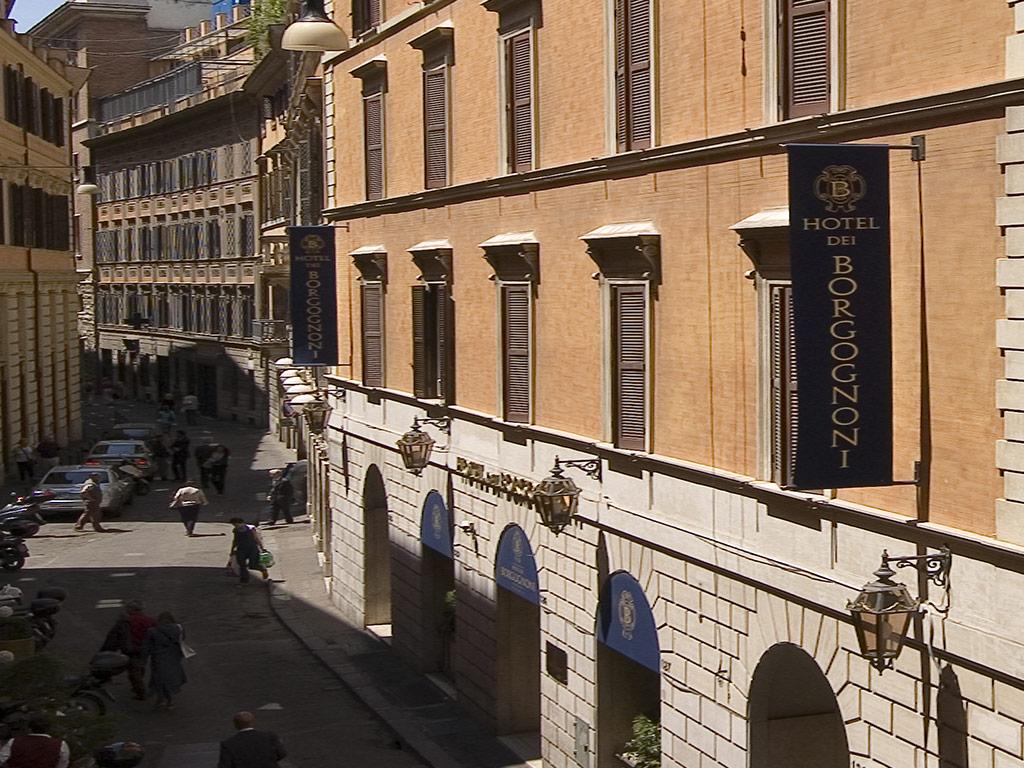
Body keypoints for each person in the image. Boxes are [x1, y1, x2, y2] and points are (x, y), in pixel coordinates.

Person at [101, 600, 156, 700]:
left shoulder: (126, 621)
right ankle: (139, 686)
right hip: (145, 649)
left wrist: (106, 650)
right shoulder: (150, 620)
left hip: (131, 649)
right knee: (140, 665)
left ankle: (140, 692)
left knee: (133, 672)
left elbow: (114, 638)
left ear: (130, 609)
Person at [141, 612, 187, 709]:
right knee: (171, 677)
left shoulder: (152, 631)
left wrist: (143, 660)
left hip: (158, 658)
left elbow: (146, 647)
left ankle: (162, 698)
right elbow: (182, 639)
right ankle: (167, 699)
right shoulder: (179, 628)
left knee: (159, 678)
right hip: (174, 657)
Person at [217, 711, 286, 768]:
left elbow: (224, 766)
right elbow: (282, 754)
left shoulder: (228, 744)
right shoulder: (270, 736)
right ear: (253, 722)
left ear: (235, 725)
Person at [0, 713, 70, 768]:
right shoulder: (60, 745)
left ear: (29, 729)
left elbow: (1, 759)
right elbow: (62, 765)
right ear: (47, 729)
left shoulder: (14, 742)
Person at [228, 518, 269, 584]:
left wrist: (262, 547)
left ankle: (263, 570)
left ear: (241, 523)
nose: (235, 526)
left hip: (252, 549)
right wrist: (232, 550)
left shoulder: (251, 528)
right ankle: (244, 580)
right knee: (242, 564)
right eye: (234, 525)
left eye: (236, 524)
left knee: (253, 564)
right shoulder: (235, 530)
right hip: (241, 549)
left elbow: (256, 538)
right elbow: (235, 541)